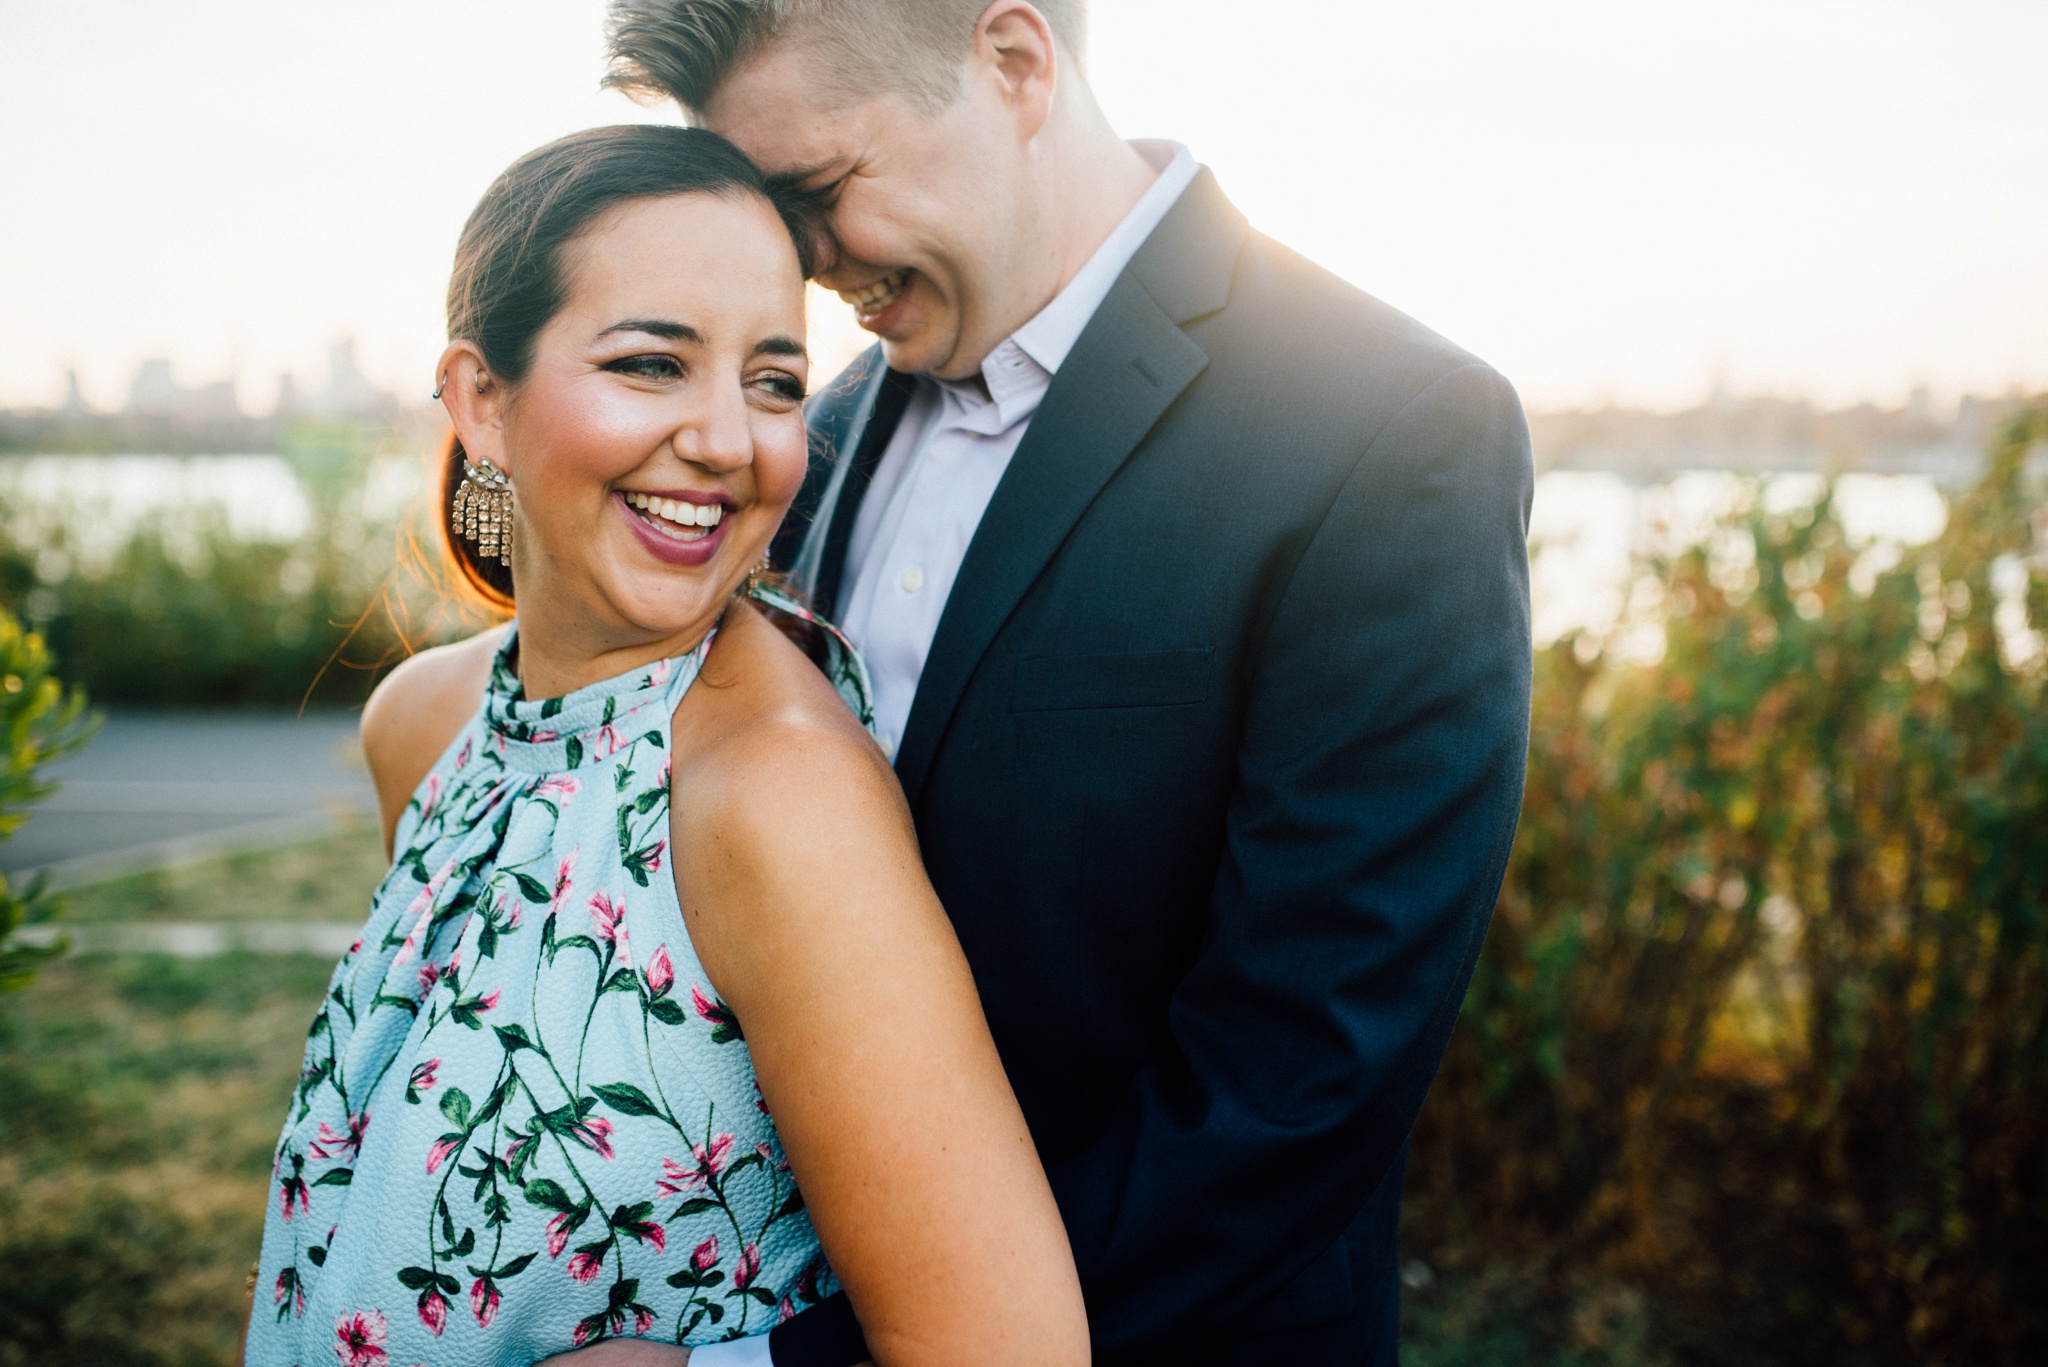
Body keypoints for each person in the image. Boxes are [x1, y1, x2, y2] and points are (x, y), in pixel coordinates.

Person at [602, 2, 1535, 1364]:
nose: (800, 264)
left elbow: (1298, 1081)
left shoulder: (1388, 428)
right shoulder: (820, 432)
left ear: (1016, 62)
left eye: (818, 192)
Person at [241, 124, 1089, 1367]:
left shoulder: (773, 794)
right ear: (482, 396)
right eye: (650, 364)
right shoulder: (420, 725)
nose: (728, 442)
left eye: (774, 380)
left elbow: (1006, 1348)